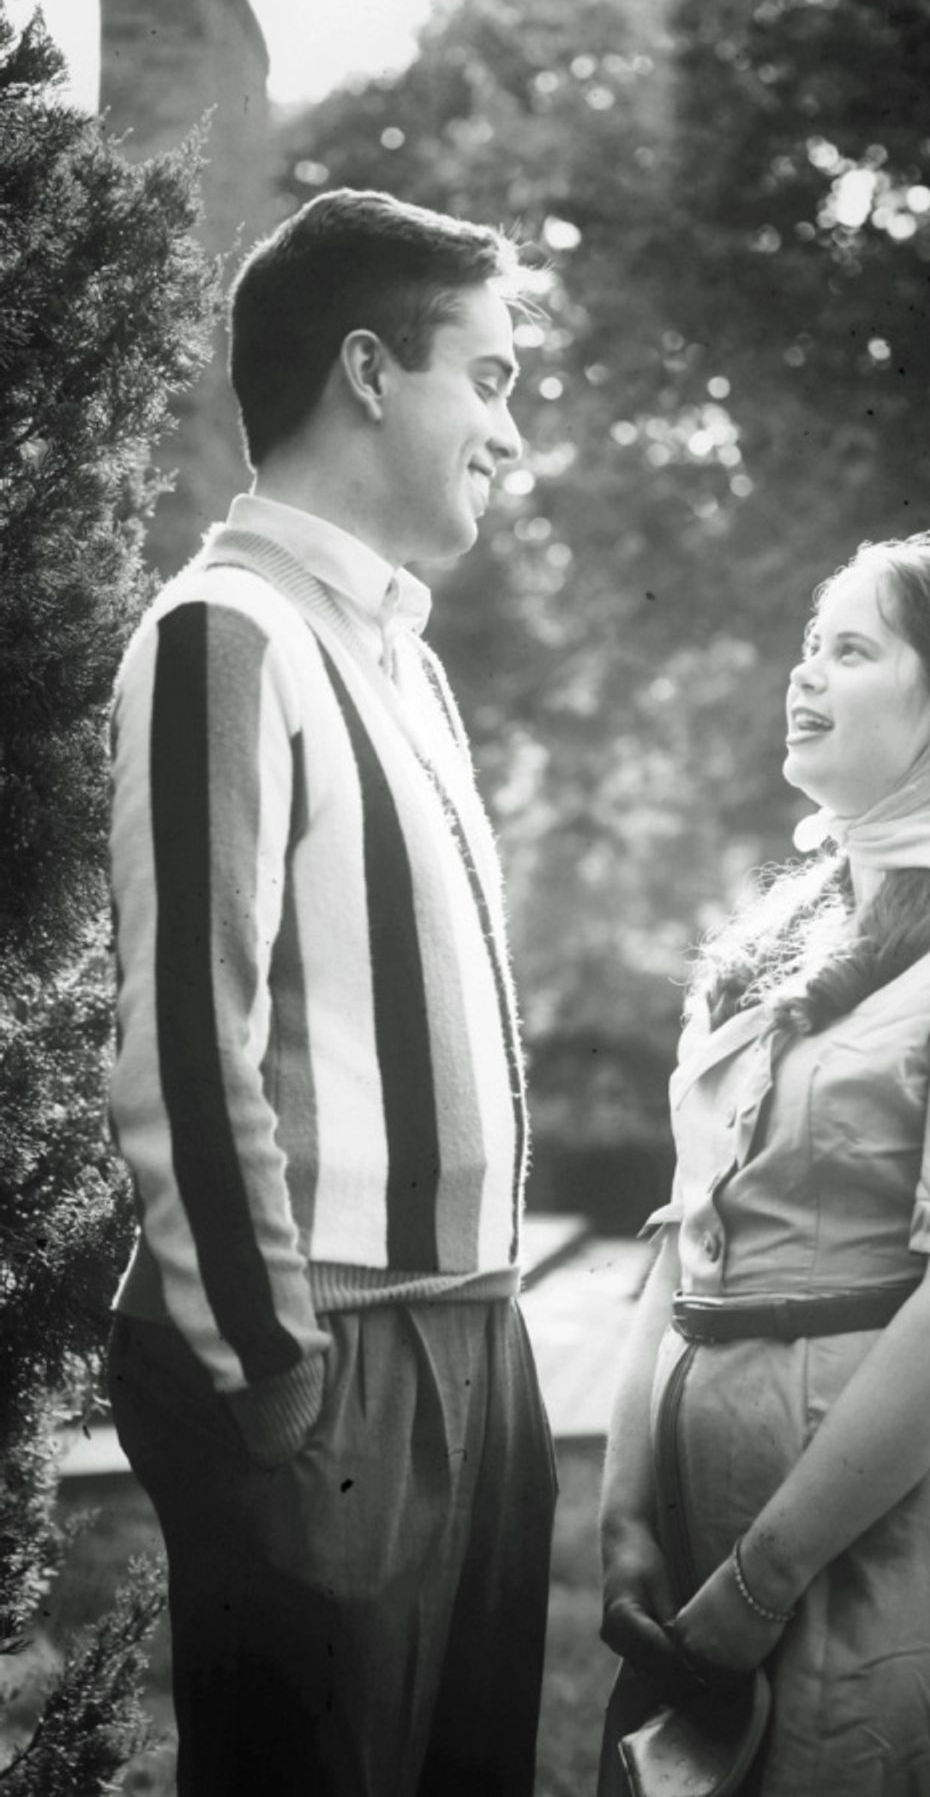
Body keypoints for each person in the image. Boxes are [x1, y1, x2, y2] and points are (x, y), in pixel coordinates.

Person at [106, 189, 556, 1797]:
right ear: (369, 371)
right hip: (335, 1362)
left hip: (474, 1351)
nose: (511, 436)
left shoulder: (404, 661)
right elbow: (178, 1028)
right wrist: (276, 1368)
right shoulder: (224, 634)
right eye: (489, 380)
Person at [598, 534, 930, 1796]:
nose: (805, 674)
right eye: (807, 643)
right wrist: (628, 1521)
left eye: (851, 649)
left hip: (858, 1538)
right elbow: (687, 1234)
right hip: (690, 1526)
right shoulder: (770, 948)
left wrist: (758, 1584)